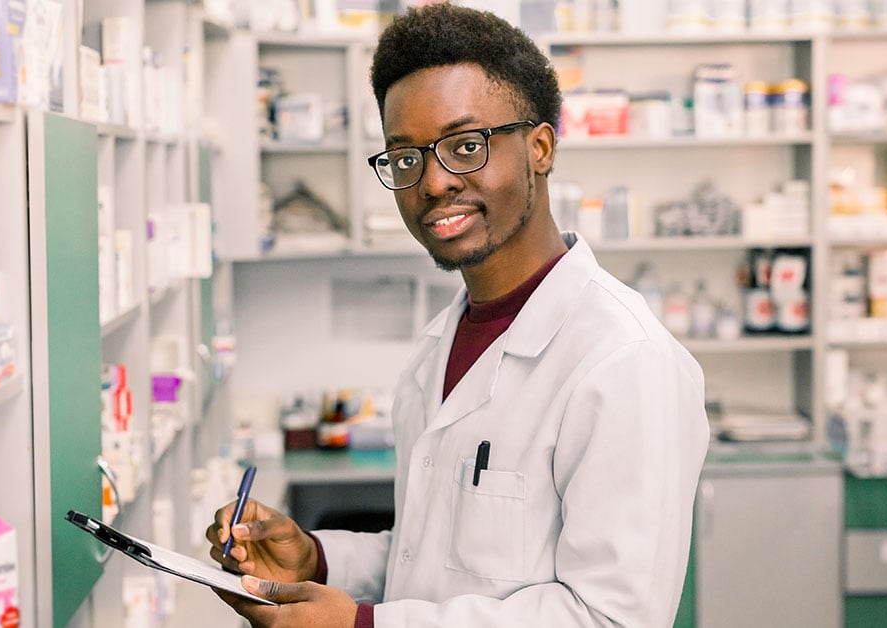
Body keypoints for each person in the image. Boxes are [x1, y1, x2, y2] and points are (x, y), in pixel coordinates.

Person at [206, 5, 710, 627]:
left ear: (541, 147)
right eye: (406, 157)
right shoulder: (439, 348)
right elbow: (434, 560)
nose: (433, 182)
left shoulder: (624, 361)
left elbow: (609, 617)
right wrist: (316, 561)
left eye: (466, 146)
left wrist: (362, 626)